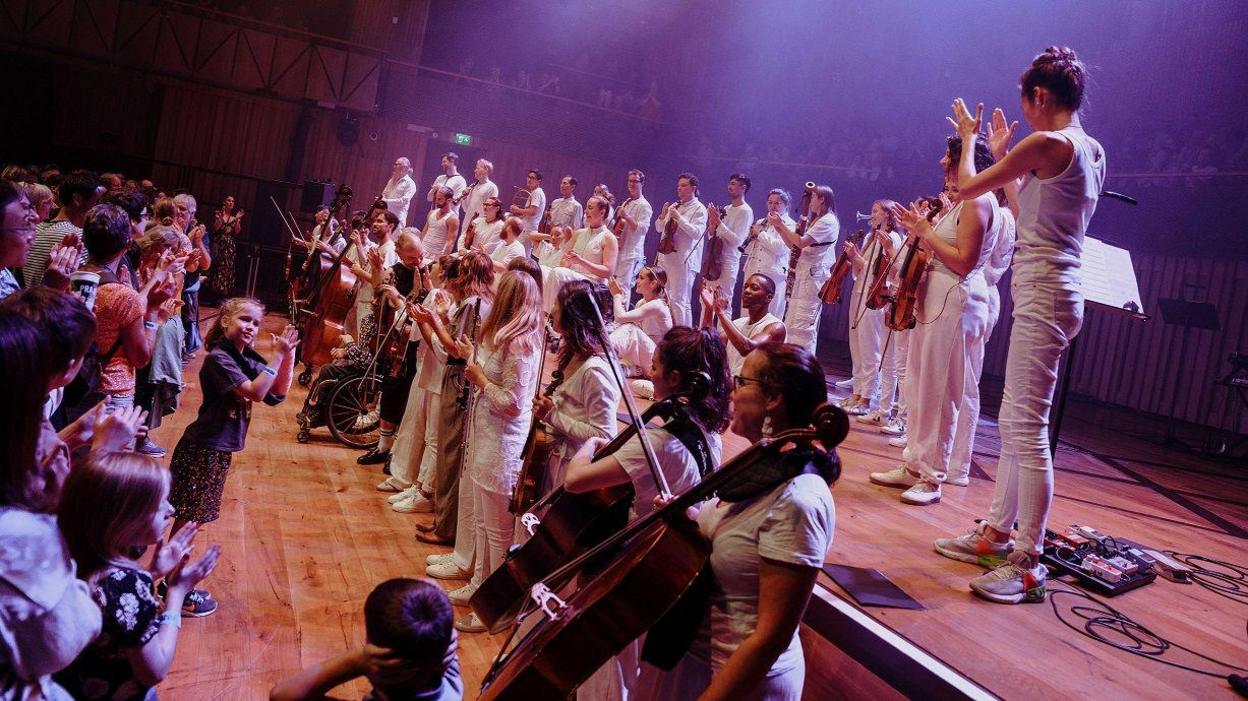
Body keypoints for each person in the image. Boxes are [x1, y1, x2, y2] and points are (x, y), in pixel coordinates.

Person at [933, 46, 1105, 604]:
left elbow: (966, 187)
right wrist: (1009, 161)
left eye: (1025, 101)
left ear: (1040, 97)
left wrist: (971, 143)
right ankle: (995, 533)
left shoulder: (1047, 143)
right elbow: (1030, 209)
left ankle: (1027, 560)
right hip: (1055, 289)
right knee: (1016, 420)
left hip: (1045, 291)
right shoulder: (1089, 148)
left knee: (1026, 428)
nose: (1023, 111)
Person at [640, 342, 837, 700]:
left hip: (741, 683)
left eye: (741, 381)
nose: (731, 390)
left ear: (773, 398)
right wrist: (691, 518)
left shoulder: (799, 501)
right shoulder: (761, 463)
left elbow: (770, 638)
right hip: (697, 658)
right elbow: (737, 538)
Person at [566, 327, 731, 701]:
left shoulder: (658, 443)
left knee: (605, 672)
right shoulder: (709, 433)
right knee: (625, 667)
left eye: (654, 366)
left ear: (675, 379)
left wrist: (591, 444)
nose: (649, 372)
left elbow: (575, 481)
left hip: (632, 564)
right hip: (662, 565)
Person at [0, 303, 141, 700]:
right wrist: (101, 452)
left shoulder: (24, 421)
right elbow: (60, 642)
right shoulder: (24, 534)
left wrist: (77, 432)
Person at [869, 134, 1003, 507]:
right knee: (918, 383)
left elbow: (964, 261)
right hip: (935, 297)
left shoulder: (977, 200)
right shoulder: (958, 201)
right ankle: (913, 464)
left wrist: (926, 234)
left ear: (967, 163)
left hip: (956, 299)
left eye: (950, 157)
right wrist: (920, 234)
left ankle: (933, 477)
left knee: (941, 390)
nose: (942, 162)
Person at [167, 297, 298, 615]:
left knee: (190, 520)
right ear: (225, 321)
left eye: (256, 321)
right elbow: (255, 391)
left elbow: (276, 394)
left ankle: (172, 582)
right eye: (245, 319)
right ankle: (175, 588)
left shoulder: (244, 356)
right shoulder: (219, 358)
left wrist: (288, 356)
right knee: (188, 521)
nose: (251, 326)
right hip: (203, 449)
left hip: (216, 450)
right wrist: (277, 356)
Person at [54, 451, 221, 700]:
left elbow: (108, 607)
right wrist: (176, 592)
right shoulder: (127, 586)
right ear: (125, 521)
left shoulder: (69, 558)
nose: (171, 509)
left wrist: (152, 573)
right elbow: (154, 671)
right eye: (160, 504)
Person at [448, 271, 543, 633]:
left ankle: (495, 607)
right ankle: (478, 586)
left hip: (502, 445)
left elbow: (514, 404)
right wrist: (473, 359)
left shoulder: (519, 344)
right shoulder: (506, 338)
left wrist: (481, 380)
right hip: (487, 438)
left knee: (497, 533)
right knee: (485, 524)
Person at [411, 253, 494, 553]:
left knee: (449, 454)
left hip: (459, 380)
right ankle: (442, 519)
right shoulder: (482, 302)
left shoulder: (473, 304)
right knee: (448, 454)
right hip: (461, 378)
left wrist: (432, 319)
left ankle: (446, 526)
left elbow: (454, 349)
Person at [269, 578, 463, 701]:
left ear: (374, 653)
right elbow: (430, 585)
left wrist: (357, 661)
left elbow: (282, 695)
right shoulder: (451, 683)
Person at [532, 280, 622, 494]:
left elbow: (604, 435)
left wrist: (553, 416)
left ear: (573, 315)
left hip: (569, 470)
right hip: (553, 461)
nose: (552, 309)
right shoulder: (573, 350)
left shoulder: (595, 371)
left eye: (558, 304)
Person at [383, 257, 455, 512]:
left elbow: (429, 337)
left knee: (431, 436)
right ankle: (413, 482)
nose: (428, 271)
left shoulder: (442, 297)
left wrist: (423, 320)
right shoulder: (436, 293)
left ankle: (424, 491)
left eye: (432, 269)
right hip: (426, 370)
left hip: (438, 373)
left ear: (443, 273)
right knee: (420, 429)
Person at [357, 232, 426, 467]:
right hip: (394, 342)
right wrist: (376, 267)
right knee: (389, 393)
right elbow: (380, 288)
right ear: (399, 254)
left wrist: (422, 284)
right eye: (411, 258)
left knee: (406, 400)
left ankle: (397, 452)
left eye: (420, 256)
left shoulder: (427, 272)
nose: (417, 262)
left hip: (416, 344)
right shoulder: (395, 271)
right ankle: (383, 447)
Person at [841, 200, 903, 416]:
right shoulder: (870, 237)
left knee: (870, 347)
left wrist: (857, 258)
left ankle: (868, 397)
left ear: (887, 215)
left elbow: (886, 270)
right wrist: (854, 257)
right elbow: (861, 270)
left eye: (876, 211)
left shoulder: (892, 238)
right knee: (856, 343)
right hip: (859, 291)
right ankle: (858, 392)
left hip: (874, 295)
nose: (872, 215)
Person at [774, 185, 838, 355]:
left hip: (813, 278)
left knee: (803, 326)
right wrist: (780, 229)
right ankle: (791, 364)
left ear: (822, 199)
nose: (809, 202)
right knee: (792, 323)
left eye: (813, 198)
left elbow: (801, 242)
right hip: (804, 276)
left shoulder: (828, 221)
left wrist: (783, 225)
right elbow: (794, 245)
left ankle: (802, 368)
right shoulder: (816, 220)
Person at [23, 169, 99, 288]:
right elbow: (80, 290)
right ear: (77, 199)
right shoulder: (79, 238)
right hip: (51, 303)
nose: (97, 209)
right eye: (95, 202)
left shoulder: (34, 230)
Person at [700, 273, 786, 375]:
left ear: (769, 297)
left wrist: (721, 312)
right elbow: (709, 344)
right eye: (745, 287)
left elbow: (748, 349)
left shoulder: (775, 327)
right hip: (732, 385)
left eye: (754, 288)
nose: (746, 291)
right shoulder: (738, 323)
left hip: (752, 388)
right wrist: (709, 309)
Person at [654, 173, 708, 327]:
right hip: (666, 257)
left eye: (684, 185)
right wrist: (663, 216)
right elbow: (659, 229)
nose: (680, 189)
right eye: (679, 185)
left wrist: (679, 218)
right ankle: (668, 331)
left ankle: (684, 334)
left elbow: (696, 233)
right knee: (665, 297)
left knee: (679, 300)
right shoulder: (675, 205)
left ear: (693, 188)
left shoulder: (699, 209)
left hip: (683, 260)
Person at [607, 265, 672, 378]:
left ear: (653, 284)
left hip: (659, 362)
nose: (637, 281)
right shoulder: (641, 303)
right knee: (620, 328)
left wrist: (617, 296)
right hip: (647, 356)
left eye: (641, 278)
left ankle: (602, 354)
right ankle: (629, 369)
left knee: (631, 329)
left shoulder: (657, 305)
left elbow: (620, 317)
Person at [705, 173, 754, 315]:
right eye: (729, 183)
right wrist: (712, 224)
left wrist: (719, 223)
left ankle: (723, 335)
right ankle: (704, 335)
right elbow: (713, 236)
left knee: (723, 302)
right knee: (707, 301)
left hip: (728, 261)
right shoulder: (726, 208)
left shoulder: (745, 211)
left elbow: (738, 241)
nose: (729, 186)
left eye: (733, 184)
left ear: (743, 187)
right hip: (713, 260)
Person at [741, 189, 795, 318]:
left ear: (786, 205)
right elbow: (748, 251)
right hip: (753, 271)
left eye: (777, 203)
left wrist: (760, 234)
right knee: (747, 314)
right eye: (770, 202)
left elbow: (780, 248)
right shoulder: (761, 222)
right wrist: (750, 237)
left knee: (770, 315)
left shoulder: (790, 224)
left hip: (773, 275)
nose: (772, 206)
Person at [173, 193, 211, 361]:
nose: (178, 212)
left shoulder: (198, 233)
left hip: (188, 287)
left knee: (187, 323)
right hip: (171, 286)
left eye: (182, 209)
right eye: (175, 208)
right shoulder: (168, 228)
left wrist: (198, 242)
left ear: (192, 213)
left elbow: (205, 265)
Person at [612, 169, 654, 295]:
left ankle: (622, 314)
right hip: (620, 250)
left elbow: (643, 229)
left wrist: (627, 216)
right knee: (614, 285)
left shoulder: (644, 205)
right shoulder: (627, 202)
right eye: (630, 181)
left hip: (632, 253)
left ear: (642, 183)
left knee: (623, 288)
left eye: (635, 181)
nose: (632, 184)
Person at [209, 195, 244, 298]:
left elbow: (237, 231)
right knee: (217, 268)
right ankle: (213, 294)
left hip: (229, 246)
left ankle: (224, 294)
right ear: (225, 202)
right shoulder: (218, 214)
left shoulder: (234, 218)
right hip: (219, 244)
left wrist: (237, 220)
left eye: (233, 201)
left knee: (227, 268)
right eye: (229, 200)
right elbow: (216, 228)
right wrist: (220, 218)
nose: (231, 202)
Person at [458, 159, 499, 238]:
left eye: (477, 168)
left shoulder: (492, 187)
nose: (475, 170)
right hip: (467, 223)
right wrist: (464, 197)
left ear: (486, 169)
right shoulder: (473, 186)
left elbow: (491, 209)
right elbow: (466, 209)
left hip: (480, 225)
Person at [509, 169, 547, 243]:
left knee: (521, 253)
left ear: (538, 181)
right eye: (528, 177)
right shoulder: (535, 192)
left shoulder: (537, 192)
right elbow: (529, 213)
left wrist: (517, 209)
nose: (529, 179)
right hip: (527, 229)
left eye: (532, 178)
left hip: (528, 229)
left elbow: (532, 212)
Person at [422, 186, 459, 260]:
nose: (436, 201)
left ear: (449, 200)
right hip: (423, 251)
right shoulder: (431, 213)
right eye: (436, 198)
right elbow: (424, 231)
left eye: (439, 199)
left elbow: (450, 243)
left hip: (436, 256)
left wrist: (442, 262)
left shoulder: (453, 219)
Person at [426, 153, 467, 217]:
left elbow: (456, 202)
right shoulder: (440, 178)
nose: (442, 164)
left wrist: (442, 189)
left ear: (452, 161)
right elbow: (429, 198)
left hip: (449, 218)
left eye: (444, 162)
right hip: (434, 216)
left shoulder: (460, 180)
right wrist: (434, 189)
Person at [383, 157, 418, 226]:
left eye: (397, 165)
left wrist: (386, 201)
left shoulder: (410, 183)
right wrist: (382, 200)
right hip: (385, 216)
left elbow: (404, 201)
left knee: (394, 237)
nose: (394, 167)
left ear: (404, 167)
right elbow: (384, 193)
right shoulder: (391, 180)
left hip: (397, 219)